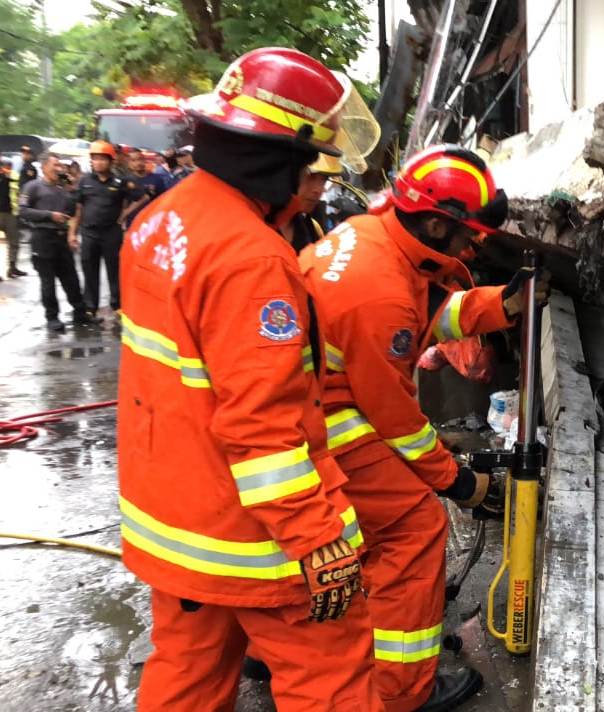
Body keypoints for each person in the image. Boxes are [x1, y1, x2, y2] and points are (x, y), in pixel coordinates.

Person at [117, 47, 383, 712]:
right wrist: (319, 539)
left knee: (186, 673)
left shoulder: (159, 220)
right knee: (331, 679)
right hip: (251, 540)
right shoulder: (252, 258)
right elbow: (262, 428)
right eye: (308, 161)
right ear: (276, 157)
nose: (312, 180)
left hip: (173, 523)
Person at [299, 145, 543, 712]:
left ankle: (290, 643)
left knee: (353, 538)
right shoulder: (377, 290)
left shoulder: (375, 237)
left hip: (320, 403)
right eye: (468, 235)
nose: (471, 247)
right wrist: (457, 481)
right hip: (329, 422)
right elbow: (396, 420)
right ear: (436, 223)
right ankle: (403, 689)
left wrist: (502, 305)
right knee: (413, 530)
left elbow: (430, 315)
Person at [18, 153, 94, 331]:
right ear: (44, 167)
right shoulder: (33, 187)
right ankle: (52, 317)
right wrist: (49, 215)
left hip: (61, 238)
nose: (59, 168)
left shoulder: (62, 189)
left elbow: (72, 211)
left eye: (60, 165)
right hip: (43, 238)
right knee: (48, 281)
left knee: (71, 278)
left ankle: (80, 312)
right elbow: (23, 211)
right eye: (55, 165)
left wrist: (72, 189)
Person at [69, 141, 132, 319]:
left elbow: (139, 198)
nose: (98, 162)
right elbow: (78, 208)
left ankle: (117, 304)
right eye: (95, 159)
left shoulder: (119, 182)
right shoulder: (84, 181)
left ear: (111, 161)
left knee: (114, 270)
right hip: (89, 233)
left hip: (111, 233)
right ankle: (91, 305)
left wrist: (125, 214)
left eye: (103, 159)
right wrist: (72, 233)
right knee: (89, 269)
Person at [280, 154, 340, 253]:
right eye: (311, 177)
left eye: (324, 179)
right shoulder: (257, 223)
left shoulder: (314, 230)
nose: (319, 189)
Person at [0, 158, 25, 279]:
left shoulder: (14, 176)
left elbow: (20, 192)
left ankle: (12, 268)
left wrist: (21, 209)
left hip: (11, 213)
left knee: (14, 242)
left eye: (8, 166)